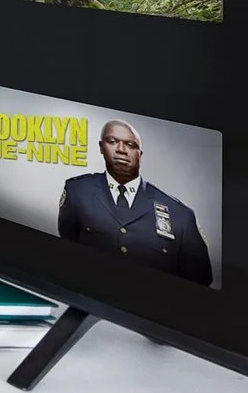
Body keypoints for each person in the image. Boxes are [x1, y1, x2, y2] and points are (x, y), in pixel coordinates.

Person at [57, 120, 214, 284]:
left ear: (140, 153)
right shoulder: (78, 191)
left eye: (130, 145)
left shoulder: (179, 214)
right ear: (101, 147)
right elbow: (69, 244)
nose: (121, 150)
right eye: (112, 141)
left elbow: (200, 278)